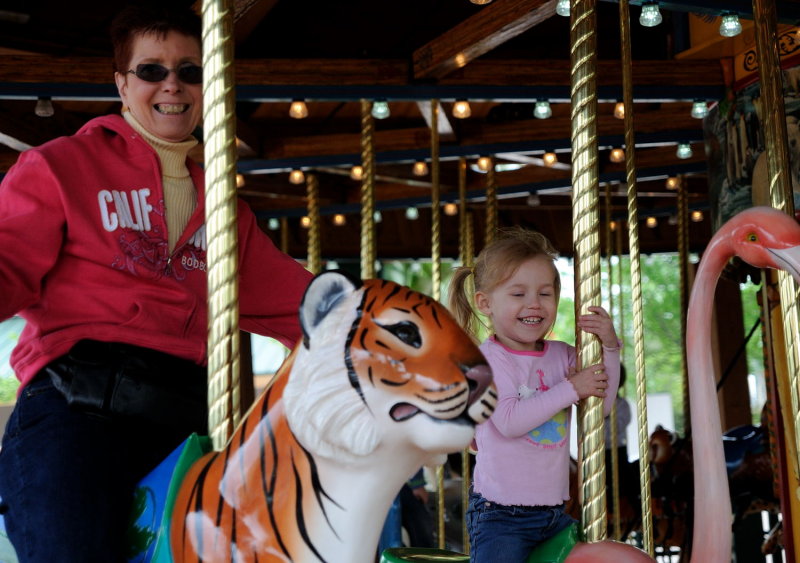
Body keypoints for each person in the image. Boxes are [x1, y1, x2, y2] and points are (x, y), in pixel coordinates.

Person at [0, 4, 312, 562]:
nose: (173, 84)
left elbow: (305, 305)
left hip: (181, 422)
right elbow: (7, 262)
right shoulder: (61, 167)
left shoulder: (224, 210)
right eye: (152, 70)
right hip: (79, 409)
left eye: (190, 70)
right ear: (122, 83)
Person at [448, 227, 620, 562]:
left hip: (555, 514)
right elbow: (510, 422)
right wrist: (571, 388)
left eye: (545, 294)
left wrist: (610, 348)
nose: (534, 304)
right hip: (502, 517)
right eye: (518, 294)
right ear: (485, 303)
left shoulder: (564, 356)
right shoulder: (489, 360)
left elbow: (601, 408)